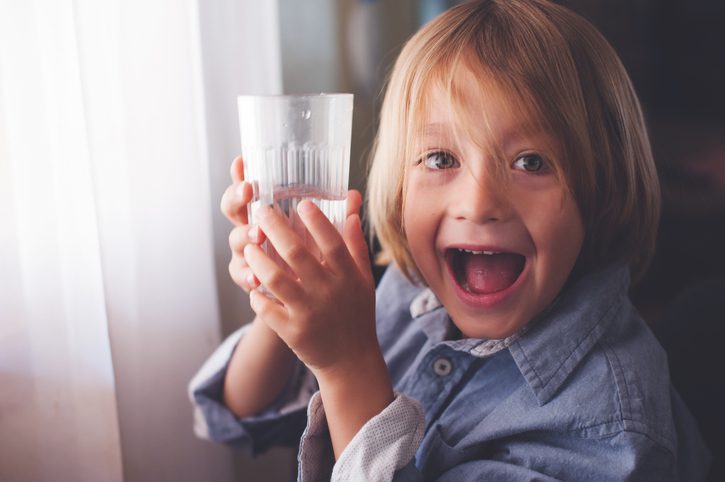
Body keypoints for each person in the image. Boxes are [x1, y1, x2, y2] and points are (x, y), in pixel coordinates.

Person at [189, 0, 711, 479]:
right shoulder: (406, 290)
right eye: (441, 159)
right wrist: (282, 300)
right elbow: (241, 415)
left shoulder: (608, 422)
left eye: (531, 162)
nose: (479, 203)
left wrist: (348, 369)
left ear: (602, 190)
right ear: (398, 189)